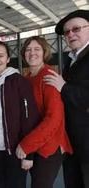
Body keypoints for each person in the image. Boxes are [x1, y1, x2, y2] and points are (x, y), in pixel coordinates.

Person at [16, 36, 73, 188]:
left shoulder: (48, 76)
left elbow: (54, 118)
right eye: (28, 49)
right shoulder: (26, 79)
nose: (32, 53)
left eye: (36, 49)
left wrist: (27, 145)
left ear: (44, 52)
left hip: (48, 147)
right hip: (33, 146)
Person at [0, 41, 39, 188]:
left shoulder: (19, 82)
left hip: (16, 150)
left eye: (1, 55)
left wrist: (29, 153)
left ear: (8, 59)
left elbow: (29, 119)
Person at [44, 10, 89, 188]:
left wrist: (63, 87)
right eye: (67, 32)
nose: (71, 34)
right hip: (72, 144)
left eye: (76, 28)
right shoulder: (70, 60)